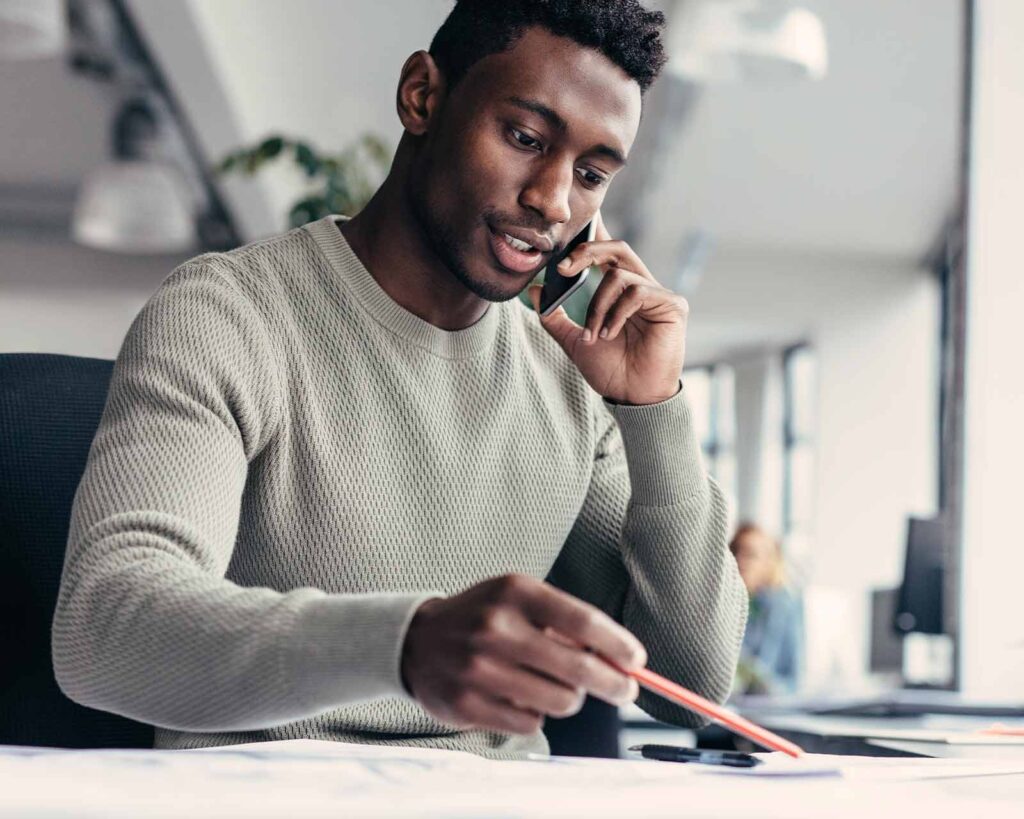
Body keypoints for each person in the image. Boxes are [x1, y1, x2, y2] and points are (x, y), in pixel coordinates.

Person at [52, 0, 747, 759]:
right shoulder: (231, 313)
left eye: (589, 173)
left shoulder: (568, 364)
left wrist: (652, 409)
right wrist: (401, 644)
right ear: (423, 95)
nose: (552, 200)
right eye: (523, 137)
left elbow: (691, 683)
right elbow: (103, 629)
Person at [728, 523, 803, 695]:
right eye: (736, 552)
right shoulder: (723, 605)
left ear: (770, 563)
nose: (741, 561)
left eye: (751, 555)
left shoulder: (784, 606)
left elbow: (792, 678)